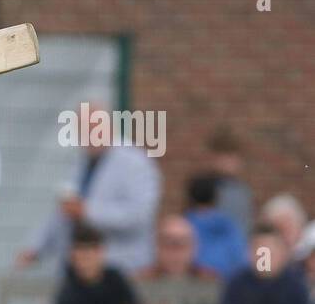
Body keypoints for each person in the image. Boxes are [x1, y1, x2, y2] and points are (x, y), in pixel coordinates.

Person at [18, 101, 162, 274]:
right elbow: (63, 212)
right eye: (83, 130)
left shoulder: (136, 163)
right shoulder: (80, 163)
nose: (88, 136)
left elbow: (139, 216)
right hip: (78, 269)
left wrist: (87, 211)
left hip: (122, 267)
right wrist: (36, 248)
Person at [185, 175, 247, 278]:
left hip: (192, 284)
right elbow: (241, 258)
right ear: (216, 197)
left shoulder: (182, 226)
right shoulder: (229, 224)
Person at [136, 215, 216, 281]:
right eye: (168, 244)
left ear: (195, 248)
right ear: (156, 246)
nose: (176, 253)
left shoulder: (211, 282)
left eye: (183, 244)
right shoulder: (138, 283)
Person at [205, 127, 252, 238]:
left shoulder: (244, 191)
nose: (229, 163)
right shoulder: (206, 190)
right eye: (225, 157)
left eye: (233, 158)